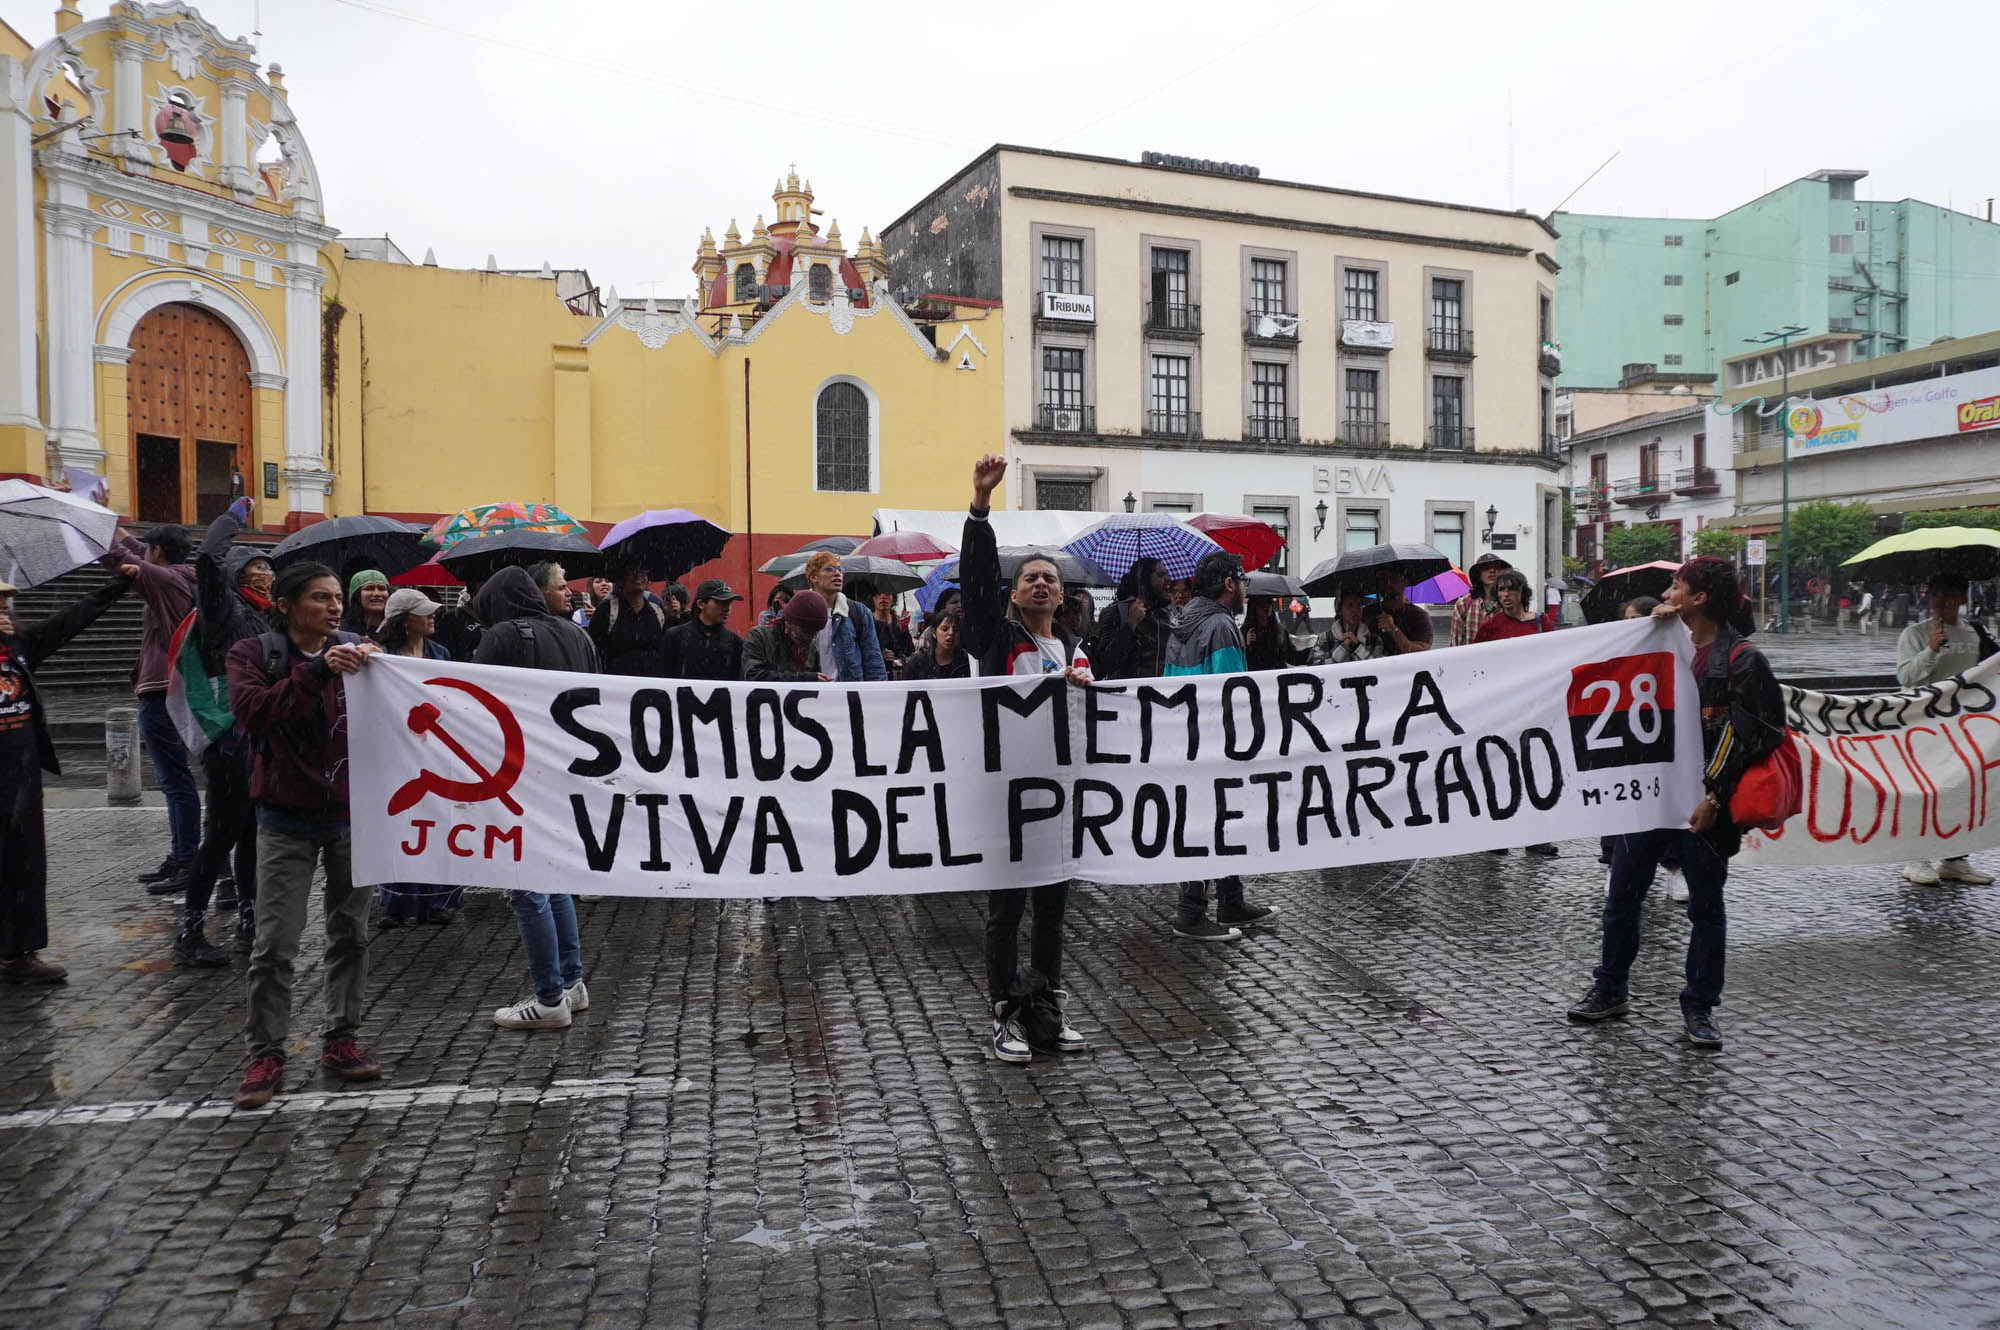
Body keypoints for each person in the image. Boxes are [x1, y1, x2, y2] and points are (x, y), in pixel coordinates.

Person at [1568, 557, 1785, 1050]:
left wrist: (1714, 793)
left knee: (1706, 910)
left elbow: (1757, 732)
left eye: (1677, 585)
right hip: (1649, 801)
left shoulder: (1741, 659)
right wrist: (1646, 629)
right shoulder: (1665, 641)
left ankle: (1700, 1007)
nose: (1668, 590)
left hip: (1705, 810)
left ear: (1700, 597)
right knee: (1622, 897)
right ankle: (1610, 987)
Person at [225, 562, 383, 1108]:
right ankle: (266, 1053)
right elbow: (253, 713)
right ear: (287, 605)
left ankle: (341, 1039)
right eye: (321, 597)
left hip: (350, 816)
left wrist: (390, 675)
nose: (335, 606)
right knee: (274, 944)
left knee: (351, 934)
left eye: (338, 596)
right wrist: (317, 674)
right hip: (284, 819)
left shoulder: (363, 651)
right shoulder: (254, 655)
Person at [962, 454, 1090, 1064]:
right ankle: (1004, 1016)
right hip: (1006, 795)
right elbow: (976, 581)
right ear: (1015, 592)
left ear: (1062, 596)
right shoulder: (996, 636)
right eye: (1030, 577)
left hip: (1057, 795)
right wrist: (981, 508)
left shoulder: (1071, 647)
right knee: (1006, 911)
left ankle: (1046, 1011)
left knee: (1052, 911)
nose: (1040, 583)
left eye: (1050, 578)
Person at [472, 566, 600, 1031]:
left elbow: (475, 705)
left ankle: (548, 998)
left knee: (526, 884)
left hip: (519, 770)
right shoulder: (577, 635)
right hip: (568, 768)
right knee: (555, 875)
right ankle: (572, 983)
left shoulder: (503, 636)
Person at [0, 569, 134, 983]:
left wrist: (118, 586)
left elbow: (70, 620)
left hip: (19, 774)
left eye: (5, 604)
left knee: (24, 862)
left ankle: (20, 953)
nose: (5, 611)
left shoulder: (20, 646)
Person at [171, 497, 273, 967]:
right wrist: (231, 520)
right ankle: (191, 933)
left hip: (257, 735)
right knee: (220, 835)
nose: (265, 574)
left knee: (251, 833)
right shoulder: (222, 609)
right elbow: (208, 559)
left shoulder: (263, 615)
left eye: (268, 568)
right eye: (255, 567)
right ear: (234, 575)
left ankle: (250, 922)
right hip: (229, 738)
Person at [1163, 550, 1280, 941]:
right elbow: (1235, 694)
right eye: (1243, 581)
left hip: (1185, 736)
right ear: (1229, 585)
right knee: (1211, 821)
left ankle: (1231, 898)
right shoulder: (1220, 625)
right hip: (1214, 740)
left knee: (1210, 818)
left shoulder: (1181, 622)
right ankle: (1191, 912)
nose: (1247, 588)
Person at [1893, 572, 1995, 886]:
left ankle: (1955, 858)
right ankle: (1916, 858)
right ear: (1928, 597)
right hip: (1923, 727)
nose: (1943, 600)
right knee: (1924, 791)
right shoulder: (1915, 633)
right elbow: (1906, 677)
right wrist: (1932, 650)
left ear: (1963, 598)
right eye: (1937, 593)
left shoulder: (1975, 633)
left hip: (1965, 728)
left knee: (1961, 791)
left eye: (1951, 594)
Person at [372, 588, 461, 928]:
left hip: (437, 753)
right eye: (424, 612)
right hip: (396, 753)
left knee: (436, 823)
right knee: (400, 826)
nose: (432, 616)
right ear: (404, 621)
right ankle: (396, 902)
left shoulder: (441, 654)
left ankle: (435, 899)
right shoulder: (382, 657)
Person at [120, 525, 201, 893]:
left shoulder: (165, 581)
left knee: (176, 781)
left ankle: (188, 860)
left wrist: (83, 521)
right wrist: (109, 521)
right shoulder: (179, 575)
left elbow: (120, 557)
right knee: (174, 781)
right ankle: (182, 854)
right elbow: (133, 549)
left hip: (162, 691)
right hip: (169, 688)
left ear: (158, 552)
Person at [802, 553, 887, 682]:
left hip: (847, 694)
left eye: (840, 569)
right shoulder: (800, 611)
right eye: (830, 569)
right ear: (814, 577)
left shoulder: (858, 612)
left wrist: (878, 694)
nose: (837, 573)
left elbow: (873, 660)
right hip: (811, 694)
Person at [1092, 557, 1169, 681]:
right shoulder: (1116, 613)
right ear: (1143, 585)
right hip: (1127, 698)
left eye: (1167, 574)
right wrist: (1130, 625)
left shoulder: (1167, 615)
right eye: (1160, 576)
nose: (1168, 580)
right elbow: (1101, 667)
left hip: (1162, 696)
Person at [588, 562, 669, 677]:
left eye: (643, 572)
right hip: (617, 683)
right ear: (621, 580)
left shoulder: (657, 611)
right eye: (632, 572)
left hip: (652, 683)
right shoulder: (607, 610)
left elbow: (664, 649)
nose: (638, 576)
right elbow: (595, 650)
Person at [661, 578, 746, 680]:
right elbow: (663, 678)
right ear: (701, 604)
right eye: (720, 602)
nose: (727, 608)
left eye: (729, 602)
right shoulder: (675, 636)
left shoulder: (736, 642)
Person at [743, 589, 829, 681]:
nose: (809, 637)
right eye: (805, 631)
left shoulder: (811, 650)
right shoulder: (759, 637)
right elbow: (753, 675)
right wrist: (804, 679)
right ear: (789, 623)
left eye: (814, 632)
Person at [1449, 553, 1509, 647]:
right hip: (1472, 660)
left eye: (1497, 567)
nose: (1492, 570)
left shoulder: (1510, 604)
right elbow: (1455, 643)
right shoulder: (1464, 604)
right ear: (1479, 575)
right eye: (1486, 568)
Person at [1471, 570, 1544, 644]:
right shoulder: (1489, 627)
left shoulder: (1541, 621)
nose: (1506, 594)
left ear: (1522, 592)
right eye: (1501, 589)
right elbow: (1477, 652)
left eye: (1511, 589)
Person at [1312, 588, 1382, 664]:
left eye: (1359, 605)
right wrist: (1344, 647)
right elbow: (1316, 667)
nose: (1355, 610)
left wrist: (1358, 647)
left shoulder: (1373, 639)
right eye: (1350, 605)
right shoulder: (1326, 638)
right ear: (1339, 610)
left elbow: (1378, 666)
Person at [1374, 570, 1433, 655]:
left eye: (1393, 578)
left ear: (1405, 582)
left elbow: (1422, 653)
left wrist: (1394, 630)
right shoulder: (1367, 613)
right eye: (1382, 579)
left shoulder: (1419, 616)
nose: (1387, 583)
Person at [901, 607, 969, 680]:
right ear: (933, 633)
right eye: (945, 629)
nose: (951, 633)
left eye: (956, 630)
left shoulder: (967, 661)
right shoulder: (918, 662)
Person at [1242, 594, 1300, 671]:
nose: (1266, 607)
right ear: (1253, 607)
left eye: (1269, 603)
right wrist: (1247, 645)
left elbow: (1292, 657)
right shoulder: (1245, 632)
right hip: (1256, 678)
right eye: (1261, 604)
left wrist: (1312, 651)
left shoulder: (1279, 631)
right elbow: (1240, 662)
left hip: (1278, 678)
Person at [432, 578, 485, 661]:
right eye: (483, 583)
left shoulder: (504, 615)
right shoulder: (452, 618)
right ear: (476, 585)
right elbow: (443, 657)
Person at [870, 589, 914, 677]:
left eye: (887, 593)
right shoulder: (867, 622)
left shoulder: (899, 622)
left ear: (893, 598)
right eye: (878, 594)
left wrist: (896, 658)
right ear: (873, 599)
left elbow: (909, 653)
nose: (883, 597)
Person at [341, 568, 390, 636]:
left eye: (382, 588)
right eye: (369, 588)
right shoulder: (342, 630)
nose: (377, 594)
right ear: (357, 596)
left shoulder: (398, 630)